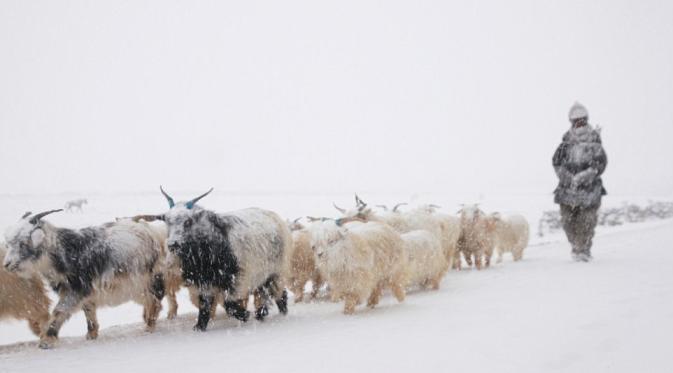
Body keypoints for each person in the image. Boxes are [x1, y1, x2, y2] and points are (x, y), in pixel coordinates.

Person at [552, 102, 608, 262]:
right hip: (567, 190)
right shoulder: (565, 143)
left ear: (586, 119)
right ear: (571, 122)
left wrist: (585, 176)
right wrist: (568, 178)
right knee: (568, 222)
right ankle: (576, 246)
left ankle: (583, 250)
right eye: (576, 120)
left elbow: (600, 163)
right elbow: (556, 162)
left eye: (582, 120)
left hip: (590, 190)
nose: (579, 123)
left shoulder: (595, 141)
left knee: (587, 221)